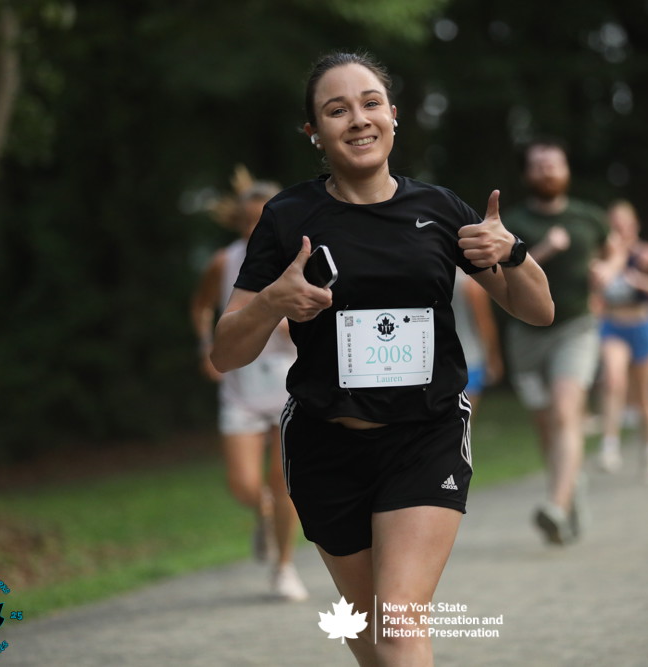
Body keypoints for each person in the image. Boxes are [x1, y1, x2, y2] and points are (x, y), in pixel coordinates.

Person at [210, 51, 553, 666]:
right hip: (325, 445)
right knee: (370, 635)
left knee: (397, 623)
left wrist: (515, 252)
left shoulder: (441, 210)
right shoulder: (287, 217)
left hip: (425, 436)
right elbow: (226, 350)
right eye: (336, 110)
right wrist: (273, 302)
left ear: (393, 116)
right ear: (314, 132)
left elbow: (538, 309)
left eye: (370, 103)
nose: (358, 119)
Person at [190, 167, 308, 601]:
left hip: (291, 384)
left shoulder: (300, 259)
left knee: (284, 483)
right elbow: (201, 306)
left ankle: (284, 568)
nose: (252, 229)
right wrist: (206, 345)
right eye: (245, 221)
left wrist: (296, 327)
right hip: (241, 387)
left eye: (260, 220)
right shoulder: (224, 262)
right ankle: (263, 514)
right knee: (243, 485)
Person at [502, 137, 611, 545]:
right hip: (525, 336)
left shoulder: (588, 217)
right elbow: (497, 276)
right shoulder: (512, 222)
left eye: (554, 164)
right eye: (539, 165)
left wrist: (608, 269)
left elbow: (614, 251)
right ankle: (571, 489)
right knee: (546, 427)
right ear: (527, 174)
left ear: (566, 170)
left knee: (566, 413)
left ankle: (555, 506)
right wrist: (543, 251)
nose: (547, 170)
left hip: (576, 328)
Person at [593, 201, 648, 484]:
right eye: (614, 225)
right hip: (613, 325)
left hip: (642, 325)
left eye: (624, 225)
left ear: (635, 226)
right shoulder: (601, 255)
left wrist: (641, 280)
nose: (620, 230)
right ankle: (609, 446)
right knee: (613, 380)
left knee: (645, 398)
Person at [451, 267, 504, 415]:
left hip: (437, 361)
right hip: (469, 360)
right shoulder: (470, 283)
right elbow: (484, 323)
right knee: (464, 419)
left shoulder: (428, 276)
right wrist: (494, 358)